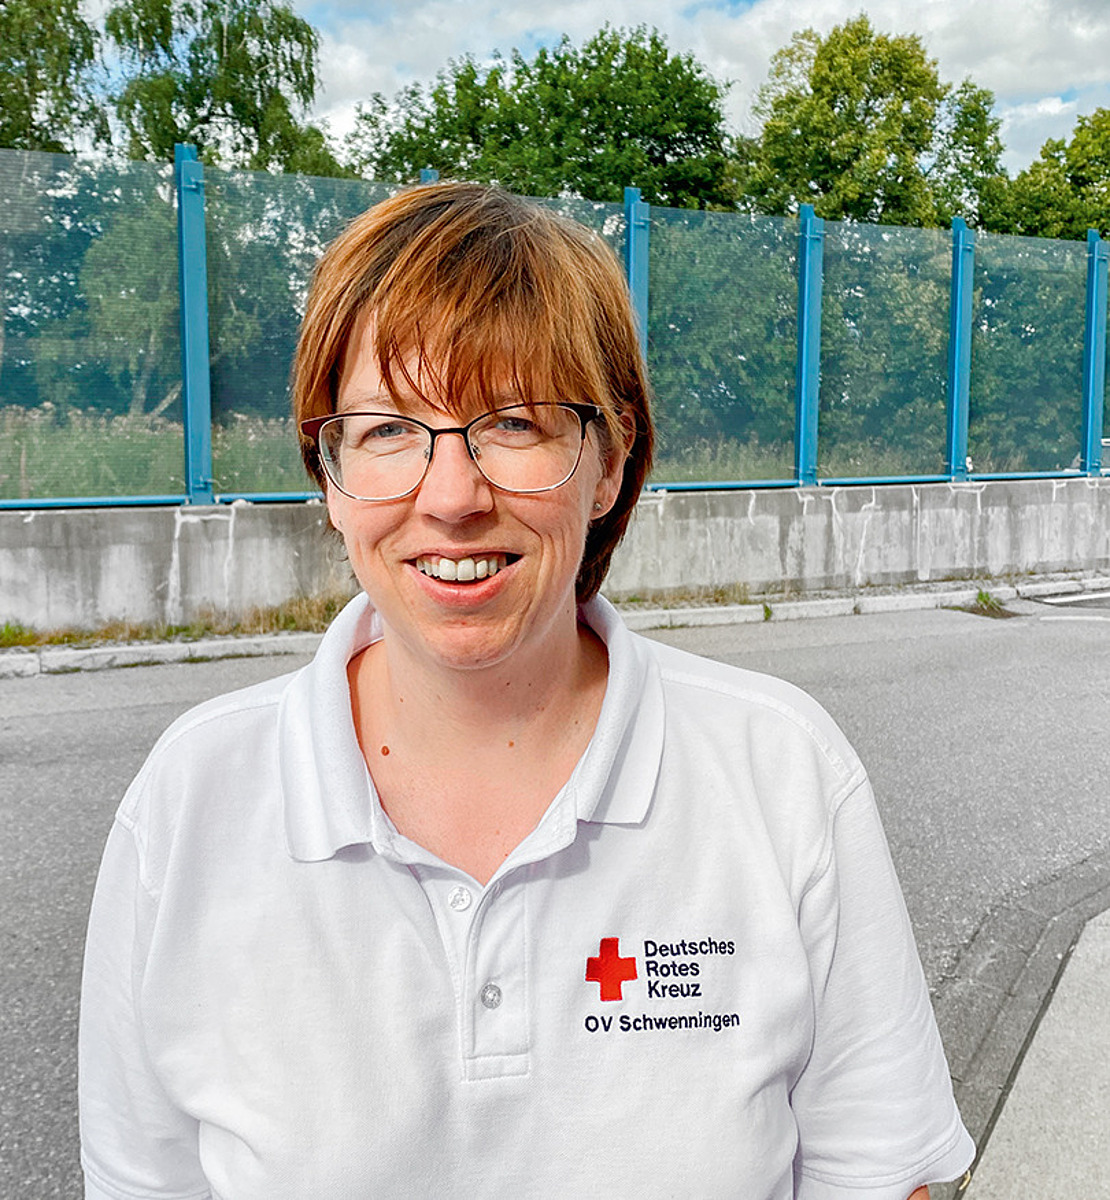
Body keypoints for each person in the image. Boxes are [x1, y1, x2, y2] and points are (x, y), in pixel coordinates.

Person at [79, 183, 974, 1199]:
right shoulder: (192, 801)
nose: (453, 498)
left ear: (609, 462)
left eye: (512, 422)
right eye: (385, 430)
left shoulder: (780, 772)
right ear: (327, 479)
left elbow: (875, 1175)